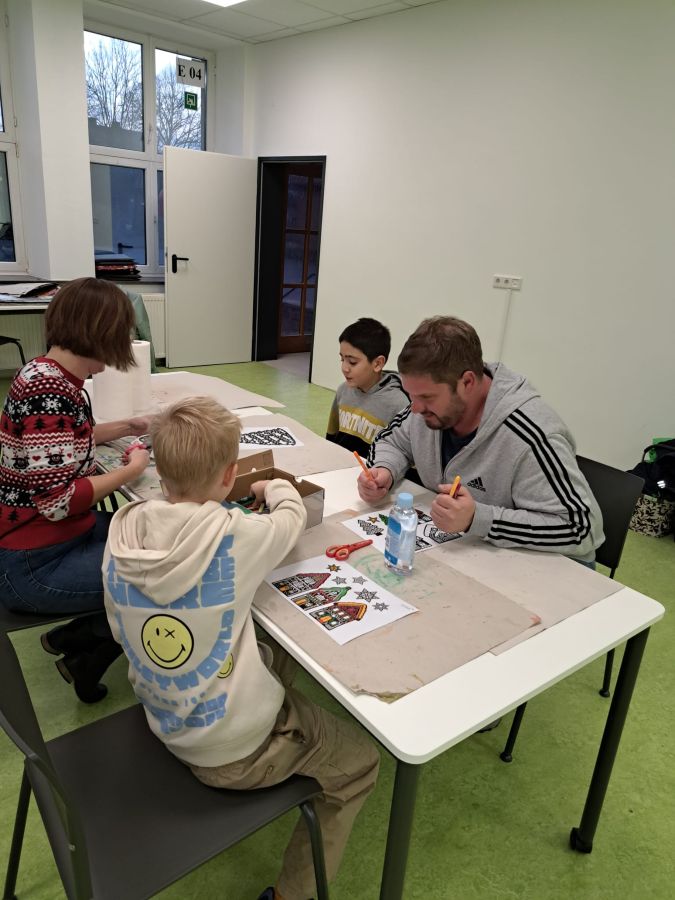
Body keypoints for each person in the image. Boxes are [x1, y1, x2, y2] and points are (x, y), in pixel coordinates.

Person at [103, 397, 380, 900]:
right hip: (231, 752)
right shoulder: (236, 535)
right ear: (230, 475)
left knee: (270, 650)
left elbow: (122, 633)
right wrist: (272, 486)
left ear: (161, 473)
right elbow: (292, 518)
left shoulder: (122, 533)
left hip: (163, 712)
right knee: (362, 765)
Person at [0, 277, 151, 702]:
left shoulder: (50, 374)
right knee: (164, 575)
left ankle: (76, 637)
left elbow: (66, 439)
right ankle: (89, 647)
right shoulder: (48, 389)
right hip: (34, 562)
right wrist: (132, 469)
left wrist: (128, 426)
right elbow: (57, 502)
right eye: (121, 333)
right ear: (100, 332)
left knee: (146, 529)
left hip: (52, 539)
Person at [358, 315, 604, 563]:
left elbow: (582, 529)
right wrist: (385, 470)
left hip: (547, 574)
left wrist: (478, 518)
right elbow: (393, 440)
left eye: (426, 397)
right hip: (470, 555)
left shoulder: (531, 435)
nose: (415, 408)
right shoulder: (427, 409)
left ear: (467, 382)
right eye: (411, 395)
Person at [326, 317, 409, 459]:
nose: (344, 368)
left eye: (352, 362)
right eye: (342, 359)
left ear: (377, 363)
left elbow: (404, 458)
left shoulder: (398, 405)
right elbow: (331, 438)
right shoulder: (343, 390)